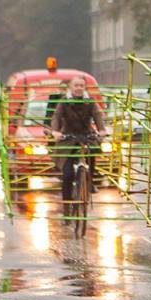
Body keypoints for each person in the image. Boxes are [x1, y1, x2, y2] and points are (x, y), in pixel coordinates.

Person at [51, 76, 107, 211]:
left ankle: (90, 180)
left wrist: (101, 129)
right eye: (76, 85)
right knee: (68, 174)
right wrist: (55, 131)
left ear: (85, 87)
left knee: (92, 154)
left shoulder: (90, 101)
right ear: (70, 87)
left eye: (81, 86)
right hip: (68, 137)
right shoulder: (64, 102)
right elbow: (56, 117)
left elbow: (97, 115)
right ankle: (66, 208)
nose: (79, 88)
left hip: (86, 135)